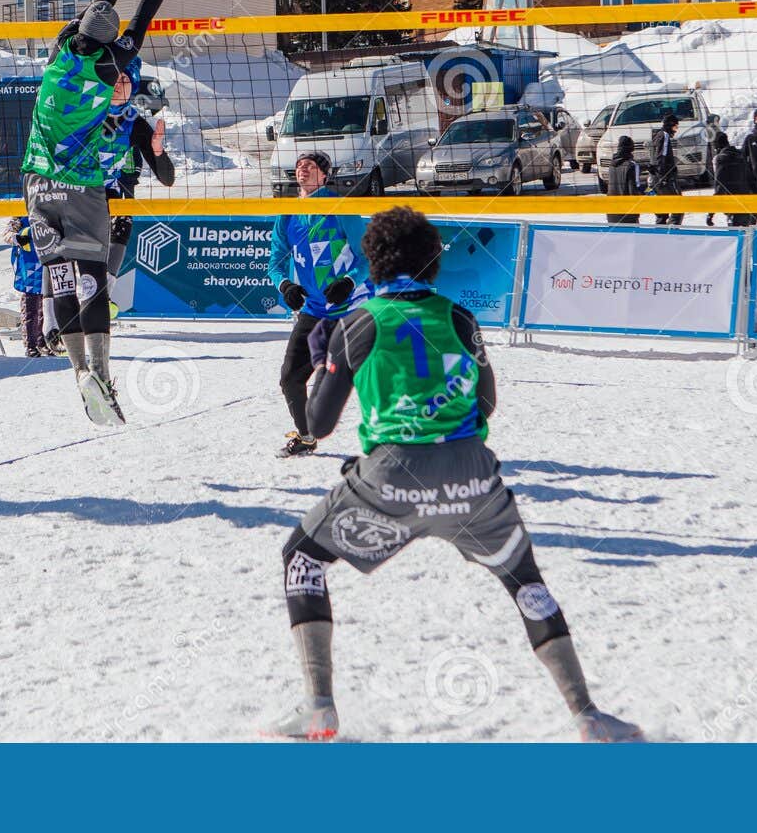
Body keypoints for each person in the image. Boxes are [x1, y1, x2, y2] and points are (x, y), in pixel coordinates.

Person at [268, 206, 642, 742]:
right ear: (433, 264)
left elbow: (317, 425)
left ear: (371, 263)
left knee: (302, 557)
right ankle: (587, 715)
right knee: (525, 582)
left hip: (391, 476)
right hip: (473, 477)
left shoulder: (359, 322)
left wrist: (324, 356)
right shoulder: (462, 318)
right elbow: (486, 404)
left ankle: (319, 708)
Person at [21, 0, 200, 425]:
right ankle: (99, 372)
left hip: (36, 182)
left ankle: (78, 370)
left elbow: (103, 7)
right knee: (91, 277)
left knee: (56, 273)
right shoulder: (112, 67)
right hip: (81, 186)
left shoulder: (58, 59)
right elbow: (139, 21)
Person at [269, 151, 369, 457]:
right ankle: (307, 436)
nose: (303, 169)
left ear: (324, 176)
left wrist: (349, 282)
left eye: (310, 166)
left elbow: (366, 257)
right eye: (299, 166)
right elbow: (275, 263)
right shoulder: (288, 213)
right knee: (290, 379)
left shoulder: (340, 206)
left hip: (353, 310)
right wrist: (285, 285)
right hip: (314, 310)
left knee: (373, 378)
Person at [101, 60, 176, 302]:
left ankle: (104, 293)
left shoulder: (133, 121)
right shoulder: (87, 110)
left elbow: (167, 179)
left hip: (108, 193)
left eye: (123, 80)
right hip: (77, 190)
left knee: (123, 216)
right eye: (113, 79)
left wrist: (156, 150)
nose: (117, 85)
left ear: (132, 86)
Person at [5, 216, 47, 357]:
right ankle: (31, 344)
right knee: (31, 306)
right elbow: (8, 232)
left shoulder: (50, 207)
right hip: (29, 266)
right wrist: (16, 238)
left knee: (48, 306)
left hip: (49, 262)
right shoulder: (20, 214)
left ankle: (44, 342)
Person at [709, 130, 755, 227]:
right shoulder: (740, 155)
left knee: (736, 236)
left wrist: (711, 213)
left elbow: (719, 187)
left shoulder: (721, 159)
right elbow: (752, 179)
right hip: (746, 204)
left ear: (717, 147)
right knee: (746, 236)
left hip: (733, 206)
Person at [649, 111, 682, 225]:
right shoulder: (665, 135)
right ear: (670, 125)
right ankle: (672, 229)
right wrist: (664, 175)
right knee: (679, 204)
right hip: (664, 177)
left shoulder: (656, 135)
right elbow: (661, 156)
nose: (676, 130)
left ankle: (660, 231)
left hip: (655, 177)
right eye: (675, 127)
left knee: (662, 209)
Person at [605, 135, 642, 225]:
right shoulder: (632, 165)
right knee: (632, 237)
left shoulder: (611, 165)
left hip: (611, 210)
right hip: (627, 211)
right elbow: (633, 190)